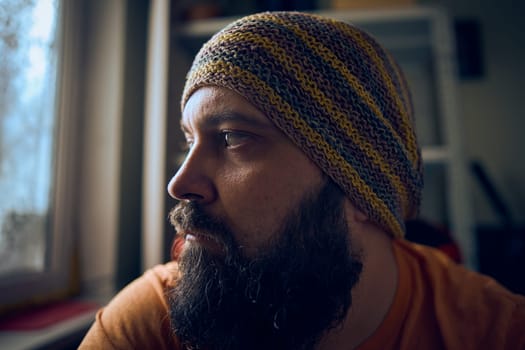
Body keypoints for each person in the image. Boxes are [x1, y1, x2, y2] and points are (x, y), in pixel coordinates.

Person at [80, 11, 525, 350]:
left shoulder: (494, 332)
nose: (180, 183)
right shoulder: (148, 324)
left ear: (359, 188)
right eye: (189, 139)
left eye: (234, 138)